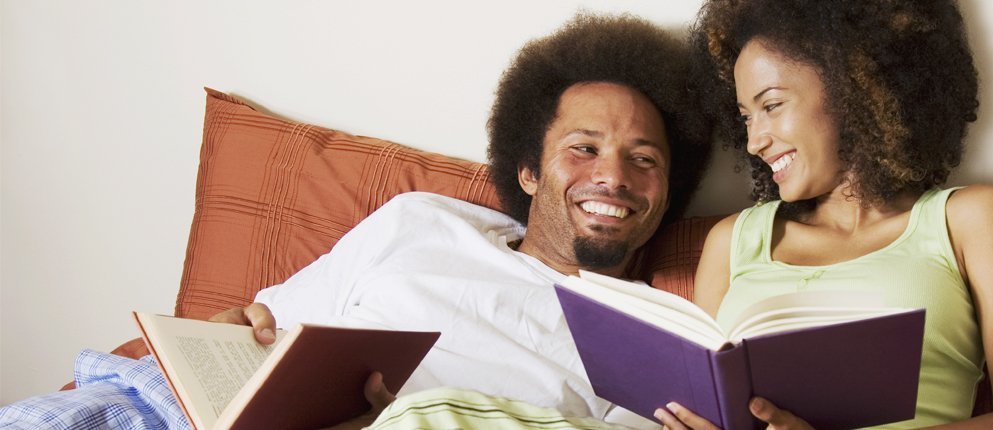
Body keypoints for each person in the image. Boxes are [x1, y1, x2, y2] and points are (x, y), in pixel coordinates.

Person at [0, 13, 711, 429]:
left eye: (643, 159)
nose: (613, 176)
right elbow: (264, 329)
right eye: (583, 149)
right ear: (527, 170)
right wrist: (225, 338)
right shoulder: (424, 219)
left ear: (667, 191)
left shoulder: (653, 337)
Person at [653, 0, 993, 429]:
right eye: (745, 117)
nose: (754, 141)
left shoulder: (970, 219)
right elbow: (704, 402)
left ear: (854, 87)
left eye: (771, 105)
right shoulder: (732, 241)